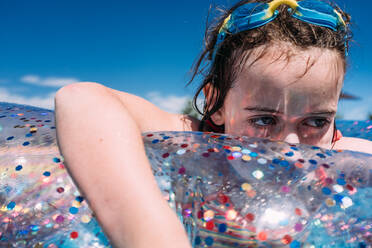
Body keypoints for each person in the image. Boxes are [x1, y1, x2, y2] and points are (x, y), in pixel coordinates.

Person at [54, 0, 372, 247]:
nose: (290, 144)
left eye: (315, 121)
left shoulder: (341, 155)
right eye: (264, 119)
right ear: (215, 104)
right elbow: (80, 98)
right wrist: (155, 237)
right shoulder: (190, 136)